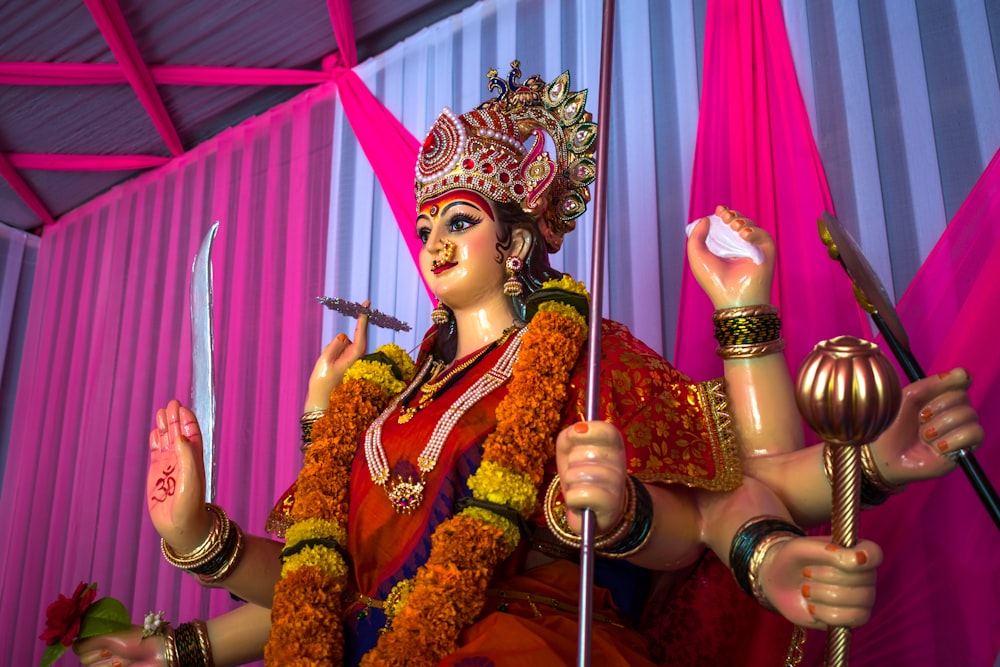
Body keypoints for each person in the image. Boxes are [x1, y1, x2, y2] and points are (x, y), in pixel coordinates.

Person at [75, 64, 982, 667]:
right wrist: (194, 541)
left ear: (515, 246)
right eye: (426, 225)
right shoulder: (382, 403)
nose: (433, 240)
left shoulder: (576, 359)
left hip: (528, 644)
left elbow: (738, 481)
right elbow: (319, 587)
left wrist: (862, 465)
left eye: (459, 220)